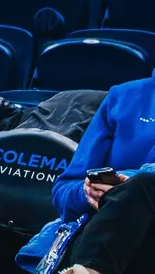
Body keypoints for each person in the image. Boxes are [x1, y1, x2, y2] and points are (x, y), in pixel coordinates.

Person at [19, 73, 155, 274]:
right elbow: (63, 190)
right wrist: (88, 191)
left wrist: (129, 183)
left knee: (144, 184)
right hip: (104, 238)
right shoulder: (124, 96)